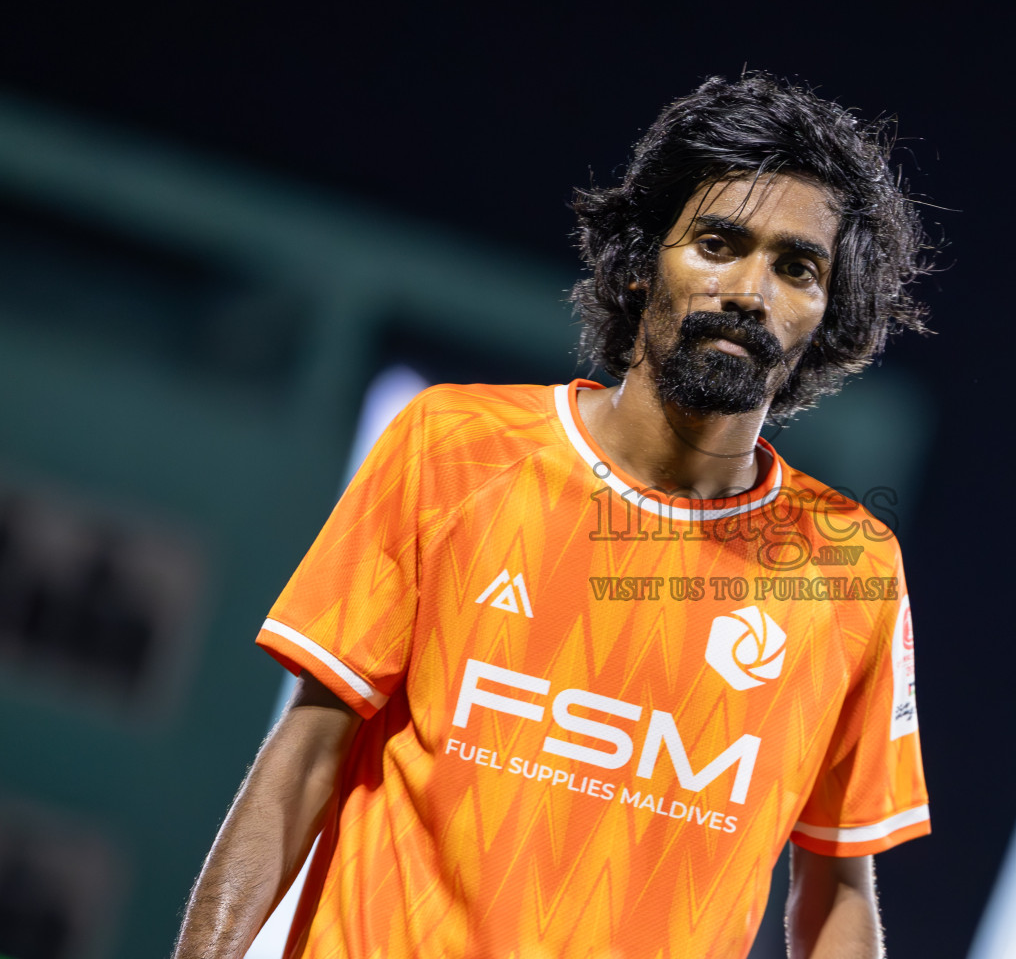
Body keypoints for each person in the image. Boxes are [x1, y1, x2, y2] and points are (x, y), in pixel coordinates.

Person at [172, 72, 935, 959]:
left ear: (827, 312)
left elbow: (836, 889)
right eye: (719, 244)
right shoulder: (453, 447)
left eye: (796, 267)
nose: (751, 290)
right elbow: (304, 756)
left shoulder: (850, 566)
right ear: (645, 258)